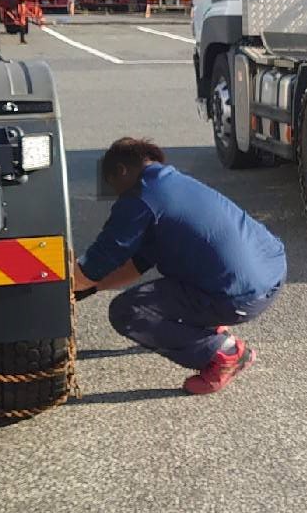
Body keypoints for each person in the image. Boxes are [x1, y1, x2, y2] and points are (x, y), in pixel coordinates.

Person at [74, 138, 287, 395]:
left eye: (112, 184)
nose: (115, 195)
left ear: (120, 171)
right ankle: (206, 325)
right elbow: (135, 265)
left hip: (238, 295)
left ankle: (225, 353)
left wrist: (62, 286)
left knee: (127, 311)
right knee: (172, 284)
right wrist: (92, 288)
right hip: (272, 272)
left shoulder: (139, 198)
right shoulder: (172, 184)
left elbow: (96, 264)